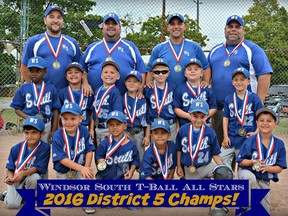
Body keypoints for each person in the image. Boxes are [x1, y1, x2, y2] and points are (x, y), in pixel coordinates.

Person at [206, 15, 273, 144]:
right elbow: (207, 72)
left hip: (245, 110)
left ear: (243, 30)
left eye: (237, 27)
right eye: (230, 26)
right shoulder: (215, 50)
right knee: (222, 149)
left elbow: (265, 74)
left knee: (246, 149)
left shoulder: (252, 49)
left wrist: (258, 103)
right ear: (225, 29)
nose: (233, 29)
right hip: (219, 109)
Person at [20, 4, 92, 95]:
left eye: (59, 17)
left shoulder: (72, 42)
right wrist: (34, 89)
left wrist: (84, 82)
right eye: (51, 17)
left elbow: (80, 68)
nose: (55, 20)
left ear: (62, 21)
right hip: (42, 94)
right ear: (45, 20)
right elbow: (24, 68)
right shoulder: (34, 42)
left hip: (66, 94)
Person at [81, 12, 146, 95]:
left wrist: (140, 90)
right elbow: (82, 69)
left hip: (124, 100)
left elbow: (142, 71)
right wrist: (85, 83)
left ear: (120, 27)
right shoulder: (92, 47)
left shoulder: (130, 47)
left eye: (114, 23)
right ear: (103, 27)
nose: (110, 26)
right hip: (95, 100)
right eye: (107, 23)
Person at [236, 108, 287, 214]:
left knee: (262, 212)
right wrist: (252, 162)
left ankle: (252, 201)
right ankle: (245, 205)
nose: (265, 123)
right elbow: (240, 161)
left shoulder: (279, 144)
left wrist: (267, 168)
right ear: (257, 123)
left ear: (275, 124)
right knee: (249, 179)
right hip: (247, 173)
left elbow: (279, 168)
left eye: (269, 121)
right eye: (261, 120)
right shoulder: (250, 141)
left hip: (264, 179)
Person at [146, 13, 209, 88]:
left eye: (179, 24)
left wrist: (206, 81)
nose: (176, 27)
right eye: (172, 24)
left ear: (185, 26)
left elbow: (206, 67)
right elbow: (149, 69)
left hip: (189, 93)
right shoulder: (158, 48)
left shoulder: (194, 46)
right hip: (166, 94)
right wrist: (149, 84)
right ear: (168, 27)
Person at [1, 116, 50, 209]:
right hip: (17, 179)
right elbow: (9, 168)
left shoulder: (45, 148)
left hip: (31, 179)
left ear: (42, 133)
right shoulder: (16, 148)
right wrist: (11, 178)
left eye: (34, 133)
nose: (30, 136)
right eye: (27, 133)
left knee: (35, 177)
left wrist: (23, 173)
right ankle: (6, 195)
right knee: (13, 205)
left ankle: (30, 197)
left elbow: (38, 168)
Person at [10, 56, 61, 143]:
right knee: (29, 149)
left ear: (45, 72)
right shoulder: (23, 88)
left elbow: (55, 110)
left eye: (38, 71)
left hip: (46, 124)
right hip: (29, 125)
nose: (34, 73)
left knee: (44, 150)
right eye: (31, 70)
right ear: (27, 71)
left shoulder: (51, 88)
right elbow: (17, 109)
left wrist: (53, 130)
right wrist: (29, 118)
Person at [221, 67, 263, 171]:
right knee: (221, 159)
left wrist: (257, 132)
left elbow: (261, 116)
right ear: (232, 82)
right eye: (236, 80)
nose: (239, 82)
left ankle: (241, 182)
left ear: (248, 81)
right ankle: (229, 180)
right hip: (231, 137)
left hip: (247, 139)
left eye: (242, 79)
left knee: (243, 167)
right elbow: (225, 117)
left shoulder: (254, 98)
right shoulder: (229, 98)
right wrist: (225, 136)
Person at [176, 99, 223, 180]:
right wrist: (179, 166)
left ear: (207, 116)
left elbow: (215, 153)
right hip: (190, 169)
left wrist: (222, 168)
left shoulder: (210, 132)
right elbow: (179, 150)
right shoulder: (183, 130)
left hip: (206, 166)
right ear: (190, 115)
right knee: (195, 190)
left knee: (224, 175)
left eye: (202, 117)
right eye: (195, 116)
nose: (198, 120)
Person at [95, 110, 140, 180]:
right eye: (111, 125)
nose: (114, 127)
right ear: (108, 126)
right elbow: (98, 156)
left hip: (123, 179)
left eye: (118, 124)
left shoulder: (131, 145)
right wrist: (100, 161)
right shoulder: (104, 143)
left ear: (125, 126)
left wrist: (131, 171)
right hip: (106, 179)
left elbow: (135, 160)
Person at [174, 58, 217, 126]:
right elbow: (177, 108)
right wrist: (188, 116)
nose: (192, 71)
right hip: (186, 123)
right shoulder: (180, 89)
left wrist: (203, 117)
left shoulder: (207, 89)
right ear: (185, 73)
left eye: (196, 69)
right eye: (189, 69)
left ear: (202, 73)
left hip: (204, 124)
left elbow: (213, 108)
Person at [89, 60, 123, 146]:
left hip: (108, 129)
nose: (108, 75)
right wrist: (91, 129)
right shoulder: (97, 90)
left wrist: (113, 131)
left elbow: (117, 114)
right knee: (99, 155)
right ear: (101, 75)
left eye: (112, 72)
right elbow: (93, 111)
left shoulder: (115, 92)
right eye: (106, 72)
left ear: (118, 76)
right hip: (97, 128)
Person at [144, 58, 177, 142]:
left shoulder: (173, 87)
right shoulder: (148, 88)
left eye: (164, 72)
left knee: (171, 150)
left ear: (168, 73)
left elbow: (177, 108)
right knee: (155, 152)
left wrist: (178, 127)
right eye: (157, 72)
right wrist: (147, 135)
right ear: (153, 74)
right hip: (155, 124)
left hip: (170, 124)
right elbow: (146, 111)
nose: (160, 74)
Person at [123, 70, 150, 163]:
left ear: (140, 84)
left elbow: (148, 120)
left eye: (135, 81)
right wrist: (122, 132)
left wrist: (147, 136)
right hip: (126, 133)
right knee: (125, 159)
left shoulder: (143, 99)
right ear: (125, 83)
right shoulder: (122, 98)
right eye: (129, 81)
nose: (131, 83)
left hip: (139, 133)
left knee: (141, 159)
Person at [58, 62, 93, 127]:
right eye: (70, 73)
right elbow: (58, 113)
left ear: (83, 75)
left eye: (76, 72)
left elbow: (91, 113)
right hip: (67, 127)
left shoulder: (88, 92)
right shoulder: (62, 93)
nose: (73, 74)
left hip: (84, 127)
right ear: (66, 76)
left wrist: (91, 129)